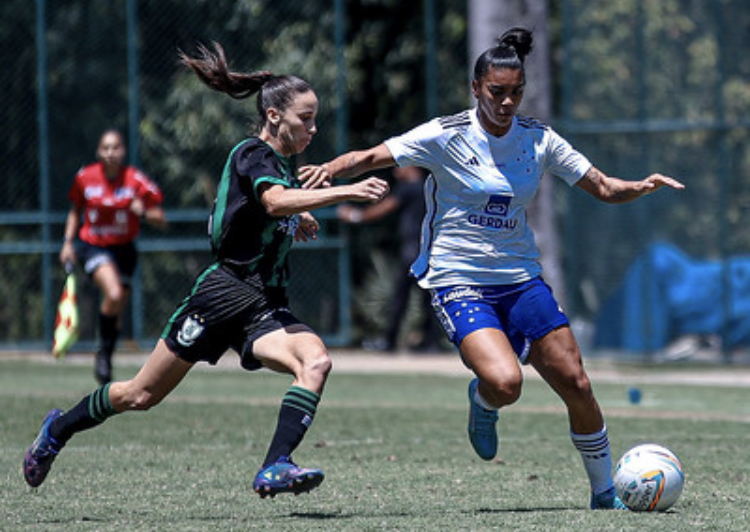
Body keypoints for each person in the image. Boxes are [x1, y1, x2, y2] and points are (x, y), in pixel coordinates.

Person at [300, 28, 684, 509]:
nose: (506, 102)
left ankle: (605, 492)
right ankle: (482, 404)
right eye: (497, 92)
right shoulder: (445, 134)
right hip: (458, 278)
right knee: (506, 384)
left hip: (520, 279)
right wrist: (328, 172)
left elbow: (603, 186)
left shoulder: (538, 139)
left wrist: (641, 186)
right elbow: (372, 156)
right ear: (476, 88)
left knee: (576, 382)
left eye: (516, 93)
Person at [24, 42, 389, 498]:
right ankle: (57, 429)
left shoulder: (280, 165)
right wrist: (342, 193)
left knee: (315, 360)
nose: (314, 128)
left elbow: (272, 207)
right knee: (141, 395)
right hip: (221, 296)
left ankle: (276, 465)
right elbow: (273, 200)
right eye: (305, 118)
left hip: (264, 305)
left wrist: (300, 216)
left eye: (315, 118)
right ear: (274, 116)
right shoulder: (252, 153)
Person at [60, 129, 166, 385]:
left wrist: (142, 212)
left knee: (116, 309)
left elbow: (160, 219)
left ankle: (105, 353)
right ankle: (104, 355)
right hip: (93, 246)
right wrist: (67, 242)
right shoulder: (86, 178)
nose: (111, 152)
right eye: (106, 147)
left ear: (123, 151)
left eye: (116, 147)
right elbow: (76, 210)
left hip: (125, 251)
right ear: (98, 151)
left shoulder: (135, 181)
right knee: (115, 294)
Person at [337, 165, 442, 352]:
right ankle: (431, 343)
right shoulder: (428, 187)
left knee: (400, 296)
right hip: (429, 249)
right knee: (428, 299)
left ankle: (389, 341)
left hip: (412, 249)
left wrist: (356, 216)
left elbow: (385, 207)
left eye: (399, 167)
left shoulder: (408, 187)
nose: (395, 172)